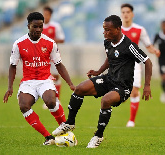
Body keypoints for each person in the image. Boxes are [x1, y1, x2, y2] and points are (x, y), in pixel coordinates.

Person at [52, 15, 153, 148]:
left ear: (118, 29)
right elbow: (109, 58)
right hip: (108, 79)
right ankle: (70, 123)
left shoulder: (128, 46)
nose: (104, 32)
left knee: (106, 100)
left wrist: (147, 86)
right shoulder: (108, 41)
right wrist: (98, 72)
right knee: (79, 88)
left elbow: (148, 62)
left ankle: (98, 136)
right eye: (104, 29)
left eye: (108, 30)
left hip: (123, 86)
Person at [3, 12, 75, 145]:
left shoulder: (50, 43)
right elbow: (13, 66)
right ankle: (48, 137)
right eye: (35, 26)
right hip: (28, 82)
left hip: (45, 80)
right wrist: (10, 87)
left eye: (40, 26)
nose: (38, 30)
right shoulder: (19, 44)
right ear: (28, 26)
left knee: (50, 102)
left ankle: (65, 128)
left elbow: (59, 64)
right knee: (23, 105)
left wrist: (70, 83)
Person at [120, 3, 160, 127]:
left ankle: (131, 120)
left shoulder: (139, 29)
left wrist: (154, 51)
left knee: (134, 91)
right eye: (123, 12)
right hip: (119, 65)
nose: (125, 14)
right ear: (121, 14)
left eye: (128, 12)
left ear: (132, 14)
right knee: (122, 94)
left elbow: (148, 45)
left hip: (135, 64)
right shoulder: (117, 29)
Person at [42, 6, 65, 107]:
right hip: (42, 56)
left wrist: (51, 40)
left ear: (50, 15)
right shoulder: (39, 26)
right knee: (45, 79)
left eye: (47, 14)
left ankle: (56, 99)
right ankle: (47, 100)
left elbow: (62, 39)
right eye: (44, 14)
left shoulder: (55, 26)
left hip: (53, 55)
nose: (45, 16)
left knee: (55, 77)